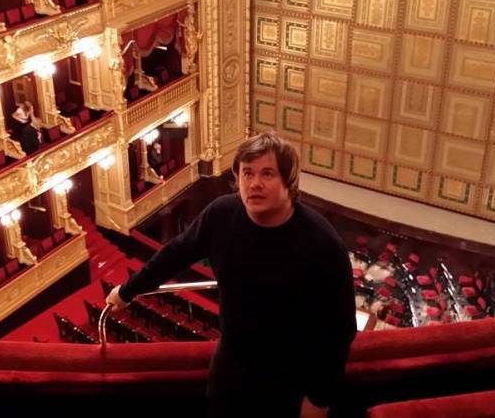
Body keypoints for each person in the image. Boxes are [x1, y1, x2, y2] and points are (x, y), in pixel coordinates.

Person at [107, 132, 356, 418]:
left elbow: (340, 329)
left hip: (292, 372)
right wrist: (127, 291)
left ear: (289, 181)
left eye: (267, 174)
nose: (255, 183)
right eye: (247, 173)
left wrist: (319, 399)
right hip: (232, 362)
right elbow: (174, 254)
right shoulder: (221, 214)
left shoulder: (322, 242)